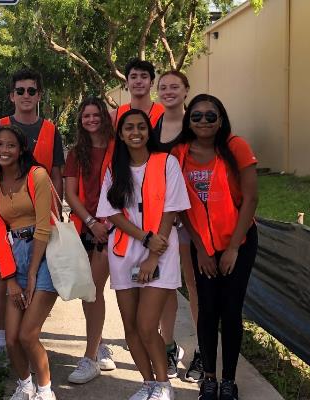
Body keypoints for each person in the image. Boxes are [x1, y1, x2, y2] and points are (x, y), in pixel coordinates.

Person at [96, 109, 190, 400]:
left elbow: (171, 207)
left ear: (149, 131)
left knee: (148, 326)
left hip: (161, 249)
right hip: (125, 250)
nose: (135, 132)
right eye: (128, 128)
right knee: (131, 327)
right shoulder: (115, 168)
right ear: (121, 135)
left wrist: (153, 252)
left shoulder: (167, 163)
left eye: (140, 127)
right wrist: (143, 238)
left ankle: (164, 385)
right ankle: (148, 383)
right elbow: (110, 212)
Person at [173, 94, 259, 400]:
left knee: (231, 312)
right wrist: (201, 249)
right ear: (188, 121)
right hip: (203, 246)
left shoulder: (236, 147)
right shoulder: (180, 153)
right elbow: (180, 205)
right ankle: (208, 378)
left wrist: (233, 248)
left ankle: (228, 381)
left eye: (211, 116)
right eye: (197, 116)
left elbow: (250, 199)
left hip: (240, 242)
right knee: (207, 311)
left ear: (220, 119)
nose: (204, 122)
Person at [0, 69, 65, 354]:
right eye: (20, 91)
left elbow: (57, 175)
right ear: (11, 95)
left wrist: (57, 217)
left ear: (39, 95)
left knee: (40, 281)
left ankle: (28, 336)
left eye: (31, 90)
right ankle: (2, 341)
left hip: (40, 222)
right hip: (6, 222)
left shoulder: (51, 130)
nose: (26, 95)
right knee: (6, 284)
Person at [0, 125, 58, 400]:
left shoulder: (37, 175)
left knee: (29, 334)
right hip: (14, 253)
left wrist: (30, 274)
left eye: (11, 145)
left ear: (21, 150)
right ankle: (25, 384)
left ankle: (45, 390)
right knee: (12, 338)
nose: (4, 150)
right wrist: (11, 279)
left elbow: (44, 227)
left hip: (44, 253)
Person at [150, 70, 203, 380]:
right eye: (164, 87)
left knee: (194, 286)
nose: (168, 91)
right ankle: (168, 348)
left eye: (175, 86)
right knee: (166, 286)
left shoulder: (198, 125)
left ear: (186, 91)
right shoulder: (154, 128)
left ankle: (202, 352)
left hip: (194, 217)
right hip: (163, 218)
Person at [63, 97, 117, 384]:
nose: (92, 119)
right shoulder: (76, 153)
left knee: (93, 290)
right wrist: (92, 222)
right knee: (89, 291)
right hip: (86, 228)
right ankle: (99, 343)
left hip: (114, 229)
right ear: (80, 120)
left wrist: (108, 223)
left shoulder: (118, 149)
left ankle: (91, 357)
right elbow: (70, 194)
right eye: (86, 115)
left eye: (97, 115)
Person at [111, 58, 166, 129]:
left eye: (144, 77)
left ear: (152, 82)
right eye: (133, 77)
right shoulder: (114, 117)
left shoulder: (165, 114)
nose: (138, 81)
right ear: (127, 83)